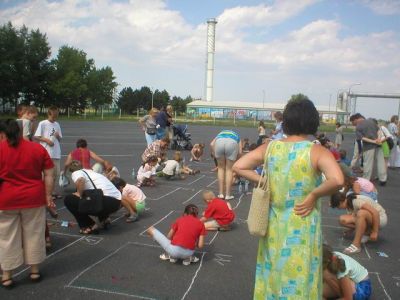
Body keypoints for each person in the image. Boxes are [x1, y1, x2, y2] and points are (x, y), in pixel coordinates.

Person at [232, 98, 344, 299]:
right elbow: (337, 180)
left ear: (286, 122)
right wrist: (313, 194)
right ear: (312, 122)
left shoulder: (271, 147)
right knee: (301, 273)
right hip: (303, 225)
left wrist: (265, 180)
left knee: (273, 271)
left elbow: (238, 166)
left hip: (274, 225)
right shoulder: (316, 150)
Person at [0, 119, 55, 288]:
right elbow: (49, 174)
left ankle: (7, 275)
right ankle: (34, 271)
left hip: (6, 199)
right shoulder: (37, 148)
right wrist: (48, 196)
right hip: (33, 198)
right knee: (34, 234)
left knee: (7, 237)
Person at [64, 160, 122, 234]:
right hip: (116, 203)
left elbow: (81, 180)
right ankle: (104, 219)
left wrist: (78, 193)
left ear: (71, 170)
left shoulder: (77, 173)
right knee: (91, 196)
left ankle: (89, 225)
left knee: (69, 200)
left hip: (104, 203)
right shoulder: (92, 172)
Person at [350, 113, 387, 185]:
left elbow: (362, 138)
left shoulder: (358, 127)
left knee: (367, 164)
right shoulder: (371, 121)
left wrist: (373, 141)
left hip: (368, 147)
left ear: (356, 119)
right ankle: (383, 180)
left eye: (352, 122)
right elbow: (379, 130)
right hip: (379, 145)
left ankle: (366, 181)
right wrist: (378, 139)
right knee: (381, 163)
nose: (352, 124)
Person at [34, 106, 63, 196]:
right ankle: (44, 192)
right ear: (49, 114)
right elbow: (37, 136)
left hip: (56, 153)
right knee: (46, 175)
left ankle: (52, 191)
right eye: (53, 117)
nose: (54, 119)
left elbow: (60, 139)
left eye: (56, 117)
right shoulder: (43, 123)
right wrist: (47, 140)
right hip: (46, 152)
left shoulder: (57, 124)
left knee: (55, 174)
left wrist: (57, 136)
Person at [210, 130, 242, 200]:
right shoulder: (237, 136)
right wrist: (236, 160)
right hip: (232, 143)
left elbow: (212, 144)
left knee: (220, 168)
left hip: (219, 142)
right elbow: (240, 152)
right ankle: (228, 195)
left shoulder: (220, 133)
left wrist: (214, 154)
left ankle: (221, 194)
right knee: (229, 170)